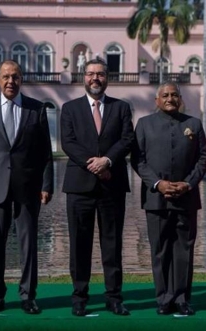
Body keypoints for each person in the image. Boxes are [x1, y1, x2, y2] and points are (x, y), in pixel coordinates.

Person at [0, 59, 53, 315]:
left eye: (15, 77)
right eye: (6, 77)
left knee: (29, 245)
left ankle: (28, 296)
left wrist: (47, 184)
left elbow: (45, 152)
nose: (10, 81)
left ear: (21, 79)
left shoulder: (36, 109)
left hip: (28, 188)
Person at [60, 58, 134, 317]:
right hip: (79, 186)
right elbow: (67, 142)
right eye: (90, 74)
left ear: (107, 78)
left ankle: (114, 297)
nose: (95, 78)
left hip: (111, 185)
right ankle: (79, 296)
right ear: (84, 77)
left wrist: (107, 161)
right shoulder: (69, 108)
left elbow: (127, 139)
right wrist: (91, 163)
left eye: (100, 74)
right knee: (79, 244)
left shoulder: (121, 108)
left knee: (112, 244)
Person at [131, 82, 206, 316]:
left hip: (187, 196)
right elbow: (138, 160)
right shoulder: (144, 125)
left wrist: (188, 183)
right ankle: (164, 298)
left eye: (175, 94)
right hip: (156, 198)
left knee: (184, 249)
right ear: (157, 100)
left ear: (180, 98)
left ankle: (182, 298)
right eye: (165, 95)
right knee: (160, 249)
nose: (170, 98)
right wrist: (158, 184)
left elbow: (203, 158)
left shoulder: (193, 124)